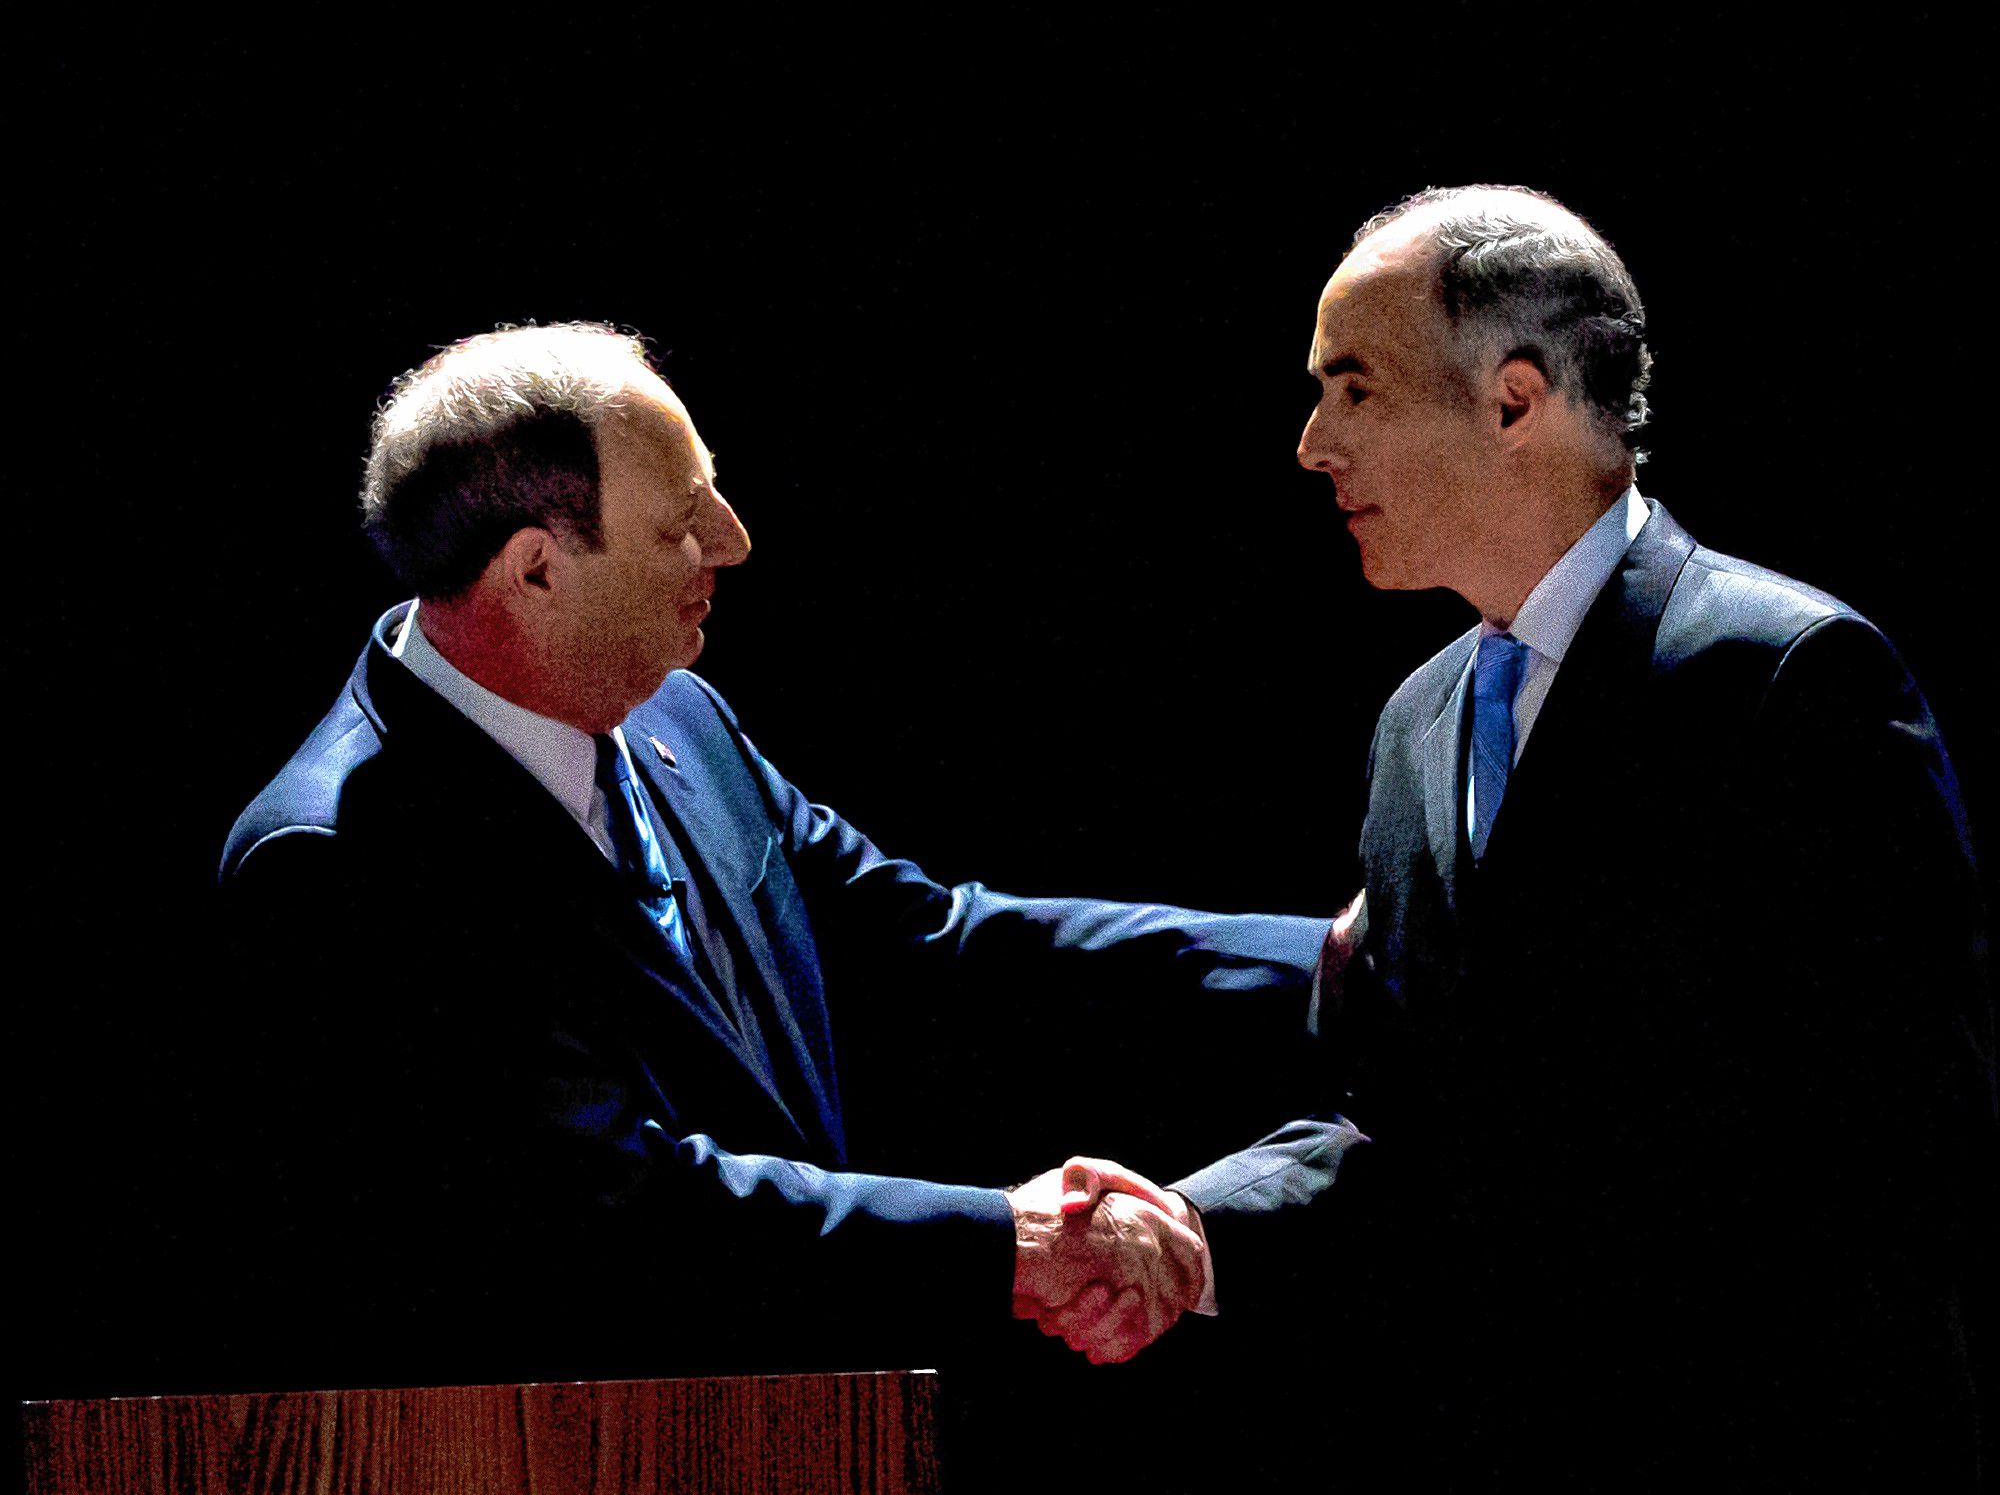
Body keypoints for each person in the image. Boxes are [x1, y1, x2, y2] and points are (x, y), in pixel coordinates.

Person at [219, 323, 1313, 1390]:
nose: (734, 541)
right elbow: (598, 1208)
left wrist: (1355, 953)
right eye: (681, 522)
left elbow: (936, 937)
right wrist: (1005, 1239)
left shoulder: (679, 719)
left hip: (806, 1429)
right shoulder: (338, 859)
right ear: (536, 571)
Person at [1128, 186, 2000, 1484]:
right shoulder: (1413, 725)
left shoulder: (1792, 680)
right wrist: (1186, 1225)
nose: (1312, 442)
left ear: (1514, 400)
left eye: (1352, 388)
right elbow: (1399, 1117)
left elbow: (1896, 1163)